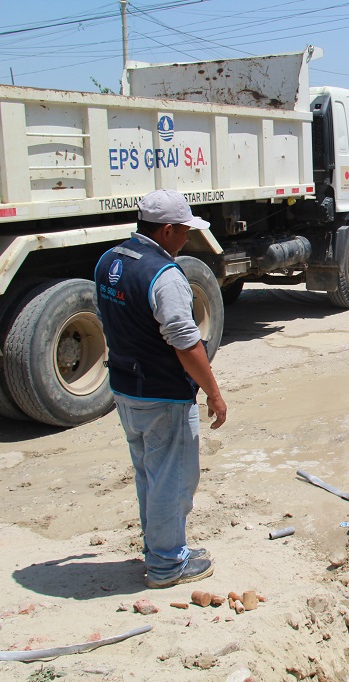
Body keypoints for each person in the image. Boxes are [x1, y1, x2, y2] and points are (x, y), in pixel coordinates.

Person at [94, 189, 228, 589]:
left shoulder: (110, 259)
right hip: (162, 394)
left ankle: (162, 550)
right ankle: (168, 565)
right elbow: (186, 343)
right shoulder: (164, 276)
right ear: (167, 230)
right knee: (173, 479)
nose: (187, 239)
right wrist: (214, 394)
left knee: (149, 475)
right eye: (184, 232)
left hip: (125, 389)